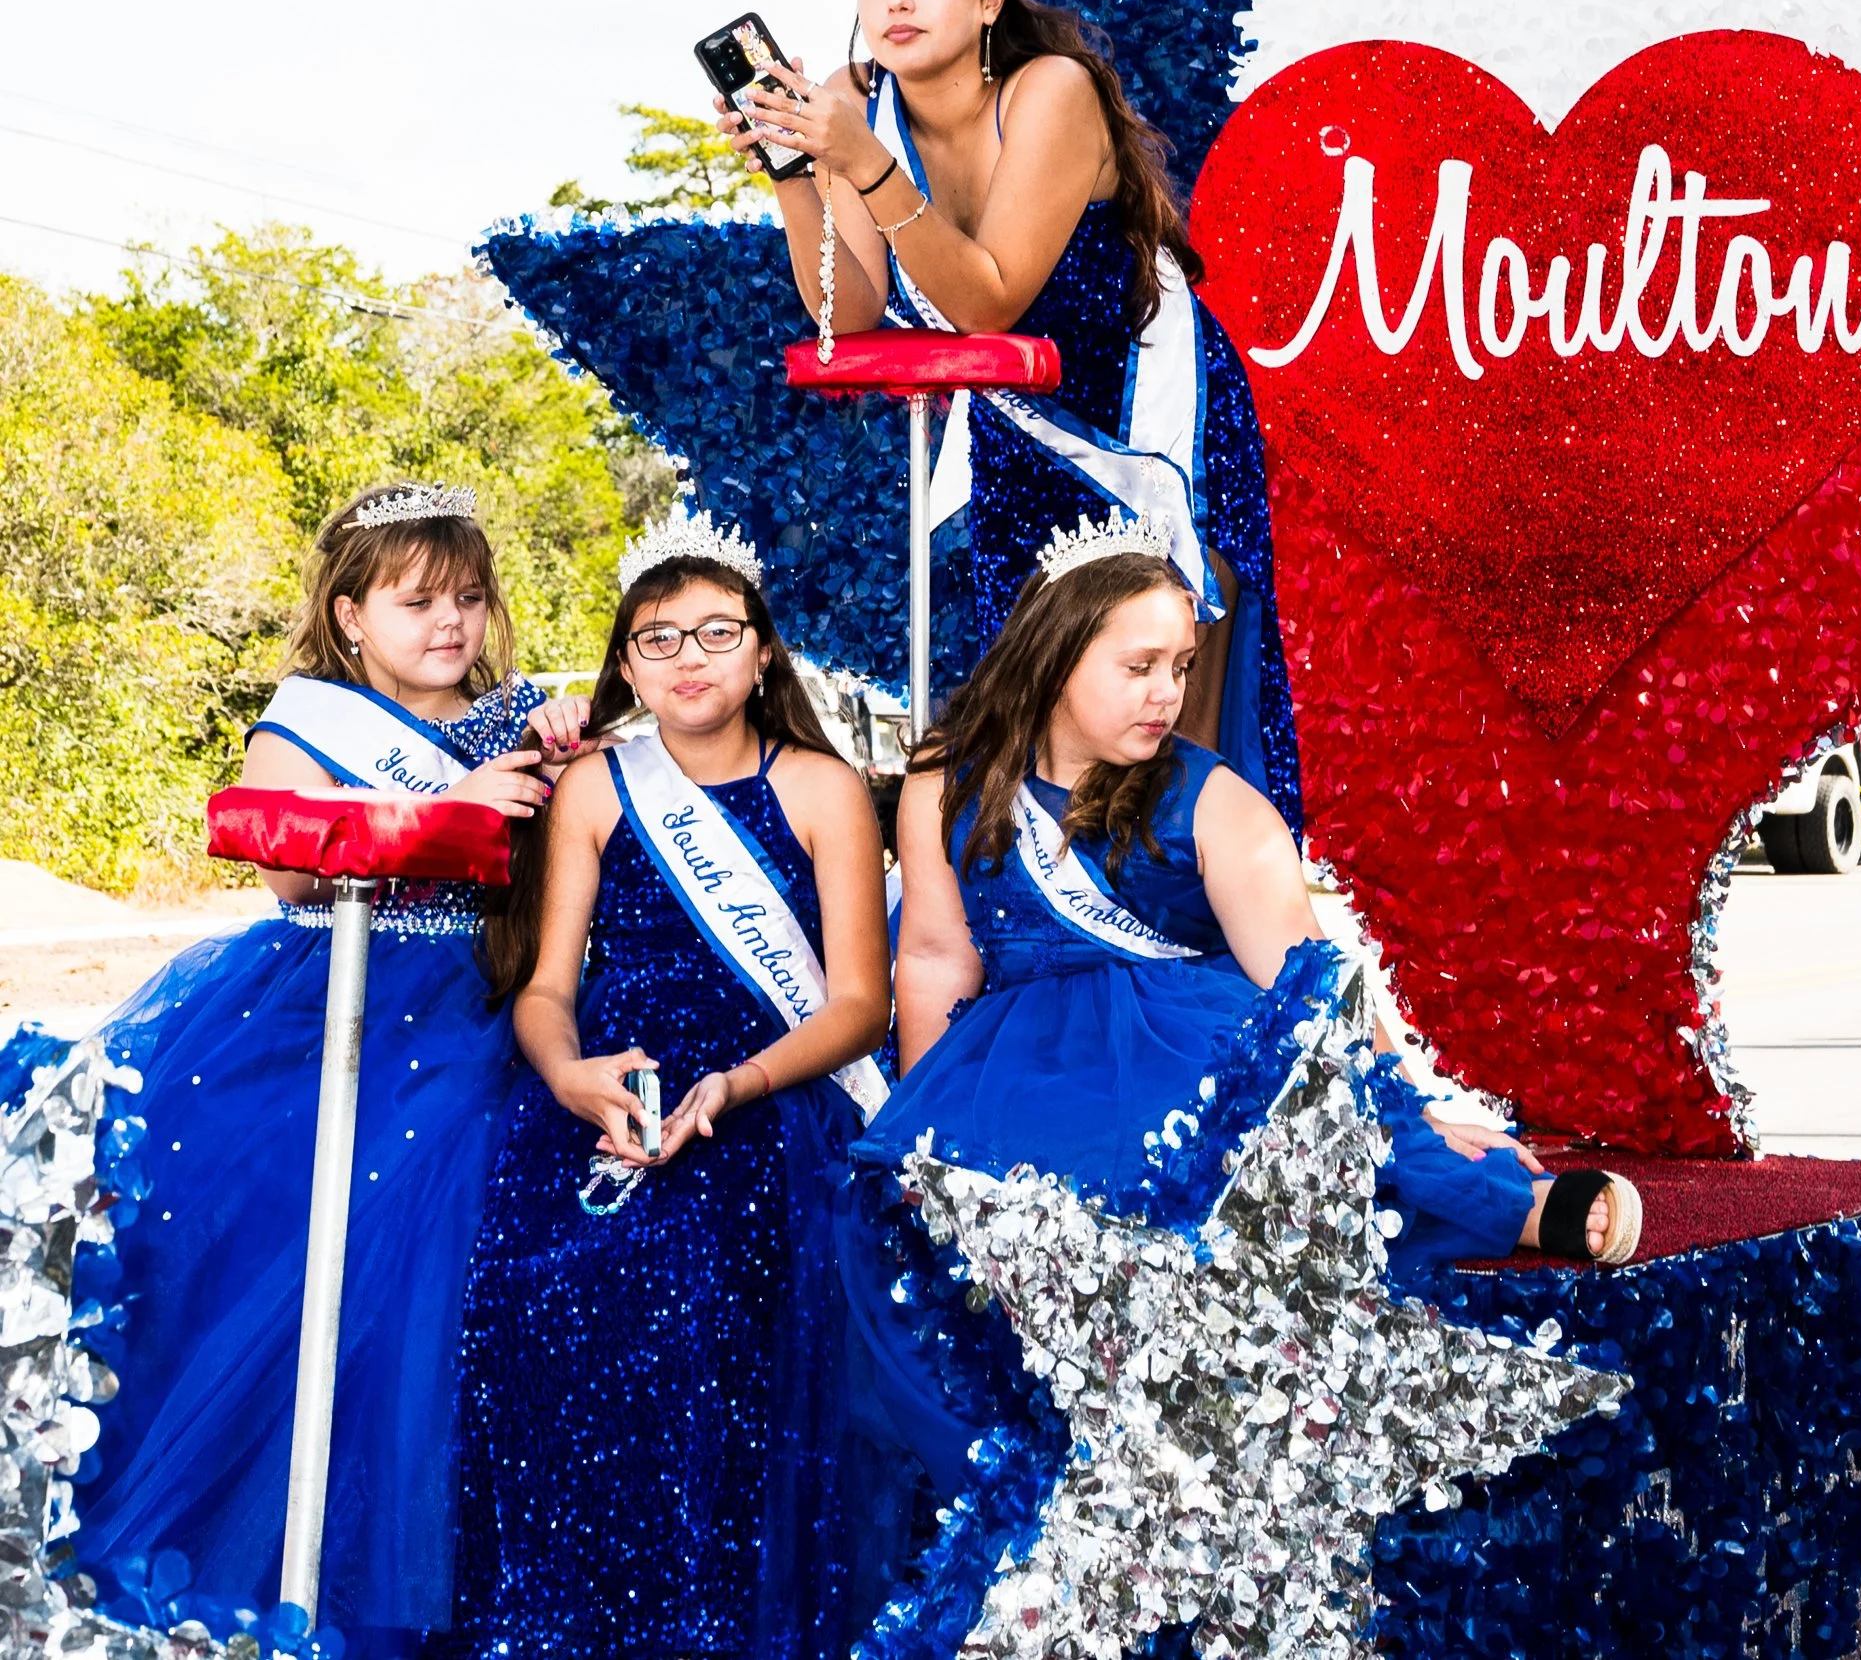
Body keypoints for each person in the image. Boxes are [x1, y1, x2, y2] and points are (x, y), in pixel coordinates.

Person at [836, 511, 1641, 1572]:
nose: (1166, 693)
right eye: (1138, 666)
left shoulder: (1206, 794)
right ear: (1055, 653)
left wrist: (1404, 1089)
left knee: (1286, 1130)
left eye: (1178, 665)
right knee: (896, 1237)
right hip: (1007, 1058)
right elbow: (936, 960)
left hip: (1179, 1040)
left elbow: (1309, 983)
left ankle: (1524, 1202)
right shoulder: (945, 785)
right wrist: (919, 1123)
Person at [65, 482, 594, 1654]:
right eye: (416, 601)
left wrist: (567, 739)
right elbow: (292, 872)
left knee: (460, 1234)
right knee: (263, 1231)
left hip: (477, 1001)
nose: (447, 623)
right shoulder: (305, 718)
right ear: (352, 615)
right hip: (322, 1002)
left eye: (466, 597)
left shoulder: (522, 715)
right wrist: (444, 806)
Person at [717, 0, 1303, 834]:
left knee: (1160, 708)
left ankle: (1198, 958)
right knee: (1037, 716)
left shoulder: (1052, 89)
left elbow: (991, 293)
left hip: (1143, 429)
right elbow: (846, 317)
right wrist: (798, 171)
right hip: (1014, 431)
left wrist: (863, 161)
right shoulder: (863, 105)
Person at [433, 512, 898, 1660]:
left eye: (715, 633)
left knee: (716, 1301)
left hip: (766, 1095)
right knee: (538, 1299)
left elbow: (857, 1006)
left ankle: (714, 1614)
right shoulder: (598, 786)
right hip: (611, 1096)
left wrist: (735, 1088)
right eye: (657, 640)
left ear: (763, 651)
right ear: (626, 662)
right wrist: (567, 1072)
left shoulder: (824, 787)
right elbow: (545, 989)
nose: (689, 659)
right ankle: (574, 1616)